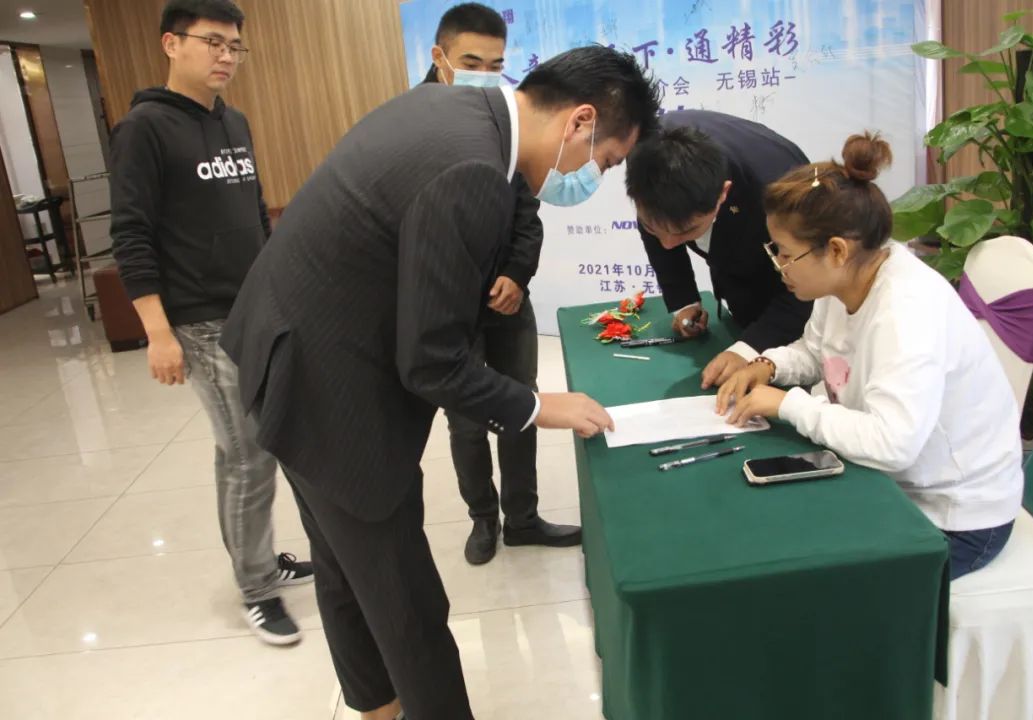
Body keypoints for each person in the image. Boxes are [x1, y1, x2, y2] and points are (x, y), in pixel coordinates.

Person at [220, 46, 660, 720]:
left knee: (343, 569)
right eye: (604, 160)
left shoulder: (454, 108)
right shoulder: (473, 170)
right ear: (579, 121)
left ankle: (378, 708)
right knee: (407, 603)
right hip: (328, 393)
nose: (590, 175)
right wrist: (538, 405)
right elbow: (430, 362)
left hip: (284, 353)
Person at [716, 132, 1022, 580]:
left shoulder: (906, 312)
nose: (778, 264)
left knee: (809, 575)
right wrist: (768, 366)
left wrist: (787, 405)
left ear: (837, 250)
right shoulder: (847, 279)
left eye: (784, 253)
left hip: (955, 518)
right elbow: (817, 350)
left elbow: (892, 444)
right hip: (893, 483)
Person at [109, 0, 312, 646]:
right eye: (213, 42)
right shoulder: (143, 128)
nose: (227, 56)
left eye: (235, 46)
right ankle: (257, 588)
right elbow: (131, 234)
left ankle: (260, 559)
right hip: (198, 321)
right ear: (172, 44)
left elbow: (253, 212)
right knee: (248, 451)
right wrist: (157, 332)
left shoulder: (234, 121)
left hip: (254, 307)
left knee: (252, 446)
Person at [424, 3, 581, 565]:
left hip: (509, 300)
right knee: (466, 421)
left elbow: (526, 212)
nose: (485, 77)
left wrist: (516, 273)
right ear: (439, 57)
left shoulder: (503, 121)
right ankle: (482, 519)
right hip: (450, 307)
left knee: (521, 405)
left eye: (496, 66)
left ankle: (522, 518)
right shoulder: (415, 126)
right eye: (472, 63)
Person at [624, 111, 813, 389]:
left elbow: (806, 289)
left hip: (784, 279)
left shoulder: (781, 193)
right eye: (654, 229)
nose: (668, 244)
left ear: (722, 193)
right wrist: (684, 300)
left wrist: (749, 348)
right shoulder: (647, 158)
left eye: (687, 231)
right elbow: (659, 222)